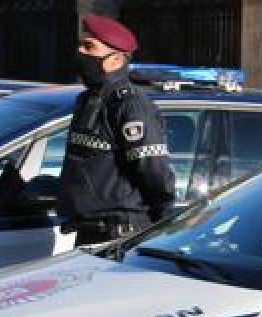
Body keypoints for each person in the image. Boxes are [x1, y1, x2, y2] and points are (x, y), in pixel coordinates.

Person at [57, 15, 175, 246]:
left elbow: (153, 172)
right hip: (89, 233)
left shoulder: (130, 106)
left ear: (115, 60)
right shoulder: (89, 100)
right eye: (80, 45)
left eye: (89, 47)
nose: (80, 52)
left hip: (117, 235)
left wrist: (165, 226)